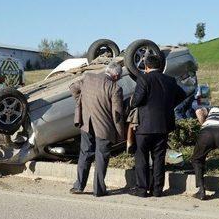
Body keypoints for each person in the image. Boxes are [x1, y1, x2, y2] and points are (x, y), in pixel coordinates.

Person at [130, 55, 187, 197]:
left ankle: (142, 189)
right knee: (159, 158)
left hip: (144, 125)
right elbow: (182, 94)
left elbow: (136, 101)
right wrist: (168, 105)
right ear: (160, 66)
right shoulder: (170, 80)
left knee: (142, 157)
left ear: (146, 66)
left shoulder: (143, 79)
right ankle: (157, 190)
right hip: (163, 125)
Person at [69, 62, 125, 197]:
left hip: (86, 123)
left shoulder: (88, 78)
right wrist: (120, 134)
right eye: (120, 77)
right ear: (116, 75)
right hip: (104, 128)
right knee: (101, 158)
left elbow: (72, 88)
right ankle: (98, 190)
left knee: (85, 153)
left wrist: (80, 103)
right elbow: (117, 115)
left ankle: (79, 186)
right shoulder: (115, 88)